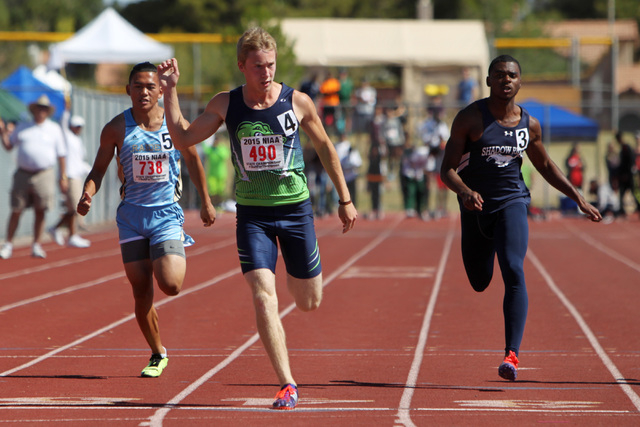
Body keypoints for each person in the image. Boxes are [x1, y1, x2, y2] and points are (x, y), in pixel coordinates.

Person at [157, 27, 357, 410]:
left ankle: (300, 275)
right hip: (253, 216)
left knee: (308, 302)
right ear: (242, 67)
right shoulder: (226, 104)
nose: (266, 73)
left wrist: (344, 198)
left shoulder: (296, 102)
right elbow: (182, 138)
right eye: (257, 66)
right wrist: (170, 91)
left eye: (271, 65)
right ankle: (287, 383)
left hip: (296, 211)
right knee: (263, 294)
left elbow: (325, 147)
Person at [440, 55, 602, 382]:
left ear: (520, 81)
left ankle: (512, 354)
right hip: (475, 209)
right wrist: (465, 192)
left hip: (512, 201)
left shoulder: (529, 125)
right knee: (479, 281)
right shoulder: (470, 119)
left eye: (512, 75)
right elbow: (446, 170)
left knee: (513, 268)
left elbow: (545, 167)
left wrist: (578, 197)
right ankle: (478, 237)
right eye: (499, 75)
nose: (506, 80)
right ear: (488, 81)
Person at [76, 62, 216, 378]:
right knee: (141, 291)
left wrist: (206, 202)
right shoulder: (115, 128)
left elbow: (193, 160)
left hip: (166, 214)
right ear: (128, 90)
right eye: (137, 86)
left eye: (150, 86)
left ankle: (167, 247)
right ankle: (157, 353)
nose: (144, 92)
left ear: (160, 90)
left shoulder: (175, 125)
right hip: (131, 218)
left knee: (171, 284)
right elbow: (98, 170)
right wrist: (87, 193)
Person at [0, 94, 68, 259]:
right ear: (34, 109)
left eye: (44, 108)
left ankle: (36, 244)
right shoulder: (23, 126)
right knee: (16, 209)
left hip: (44, 174)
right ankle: (8, 244)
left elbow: (61, 155)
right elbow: (9, 146)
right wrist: (3, 132)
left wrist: (63, 176)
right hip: (23, 173)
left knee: (41, 210)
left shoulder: (54, 129)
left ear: (48, 111)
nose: (41, 111)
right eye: (39, 107)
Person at [49, 99, 92, 248]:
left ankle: (55, 228)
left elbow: (79, 162)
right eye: (76, 126)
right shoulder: (66, 137)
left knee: (71, 209)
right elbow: (62, 123)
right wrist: (66, 109)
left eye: (80, 126)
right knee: (75, 207)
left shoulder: (78, 142)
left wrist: (91, 170)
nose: (78, 128)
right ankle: (73, 235)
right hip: (69, 177)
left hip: (77, 177)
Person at [614, 131, 640, 216]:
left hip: (628, 176)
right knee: (623, 194)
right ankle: (622, 209)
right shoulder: (623, 148)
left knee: (634, 193)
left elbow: (629, 162)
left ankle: (638, 207)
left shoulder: (626, 148)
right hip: (624, 175)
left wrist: (627, 174)